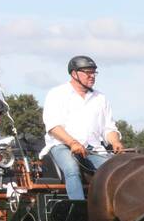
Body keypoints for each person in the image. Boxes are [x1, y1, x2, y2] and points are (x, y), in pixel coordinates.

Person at [40, 55, 123, 200]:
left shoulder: (100, 98)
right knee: (72, 169)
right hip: (62, 146)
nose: (92, 76)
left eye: (94, 73)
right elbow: (54, 127)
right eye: (88, 72)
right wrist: (72, 143)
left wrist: (115, 142)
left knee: (117, 169)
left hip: (94, 149)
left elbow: (108, 128)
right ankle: (78, 211)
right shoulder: (57, 94)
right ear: (74, 73)